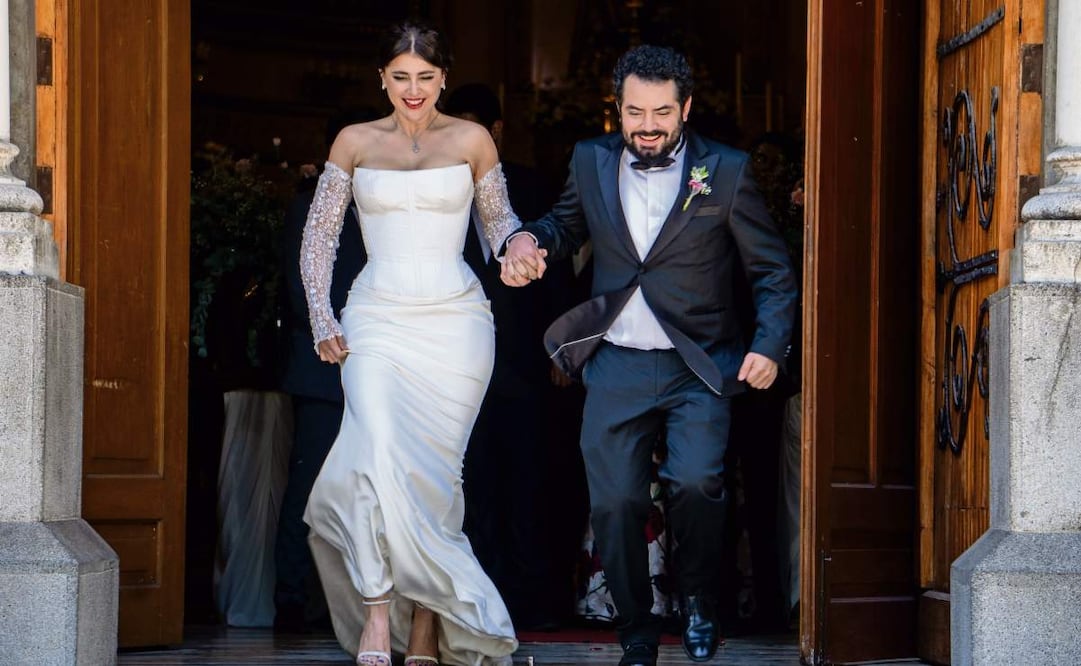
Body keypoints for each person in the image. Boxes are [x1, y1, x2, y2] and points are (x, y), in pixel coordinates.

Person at [502, 45, 798, 666]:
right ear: (619, 108)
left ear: (685, 108)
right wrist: (528, 239)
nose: (648, 125)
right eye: (635, 111)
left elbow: (772, 270)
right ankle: (636, 626)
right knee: (614, 501)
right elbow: (563, 225)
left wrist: (769, 345)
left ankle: (698, 600)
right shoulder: (589, 160)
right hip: (618, 362)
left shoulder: (728, 171)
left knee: (696, 484)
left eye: (662, 112)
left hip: (701, 363)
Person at [299, 22, 523, 666]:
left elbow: (498, 220)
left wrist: (518, 245)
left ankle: (426, 627)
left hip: (456, 325)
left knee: (434, 482)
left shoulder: (473, 139)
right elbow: (319, 238)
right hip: (376, 319)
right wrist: (322, 315)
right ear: (382, 79)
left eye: (425, 77)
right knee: (372, 459)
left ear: (444, 78)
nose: (414, 90)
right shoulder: (354, 142)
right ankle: (376, 615)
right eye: (401, 77)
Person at [443, 83, 568, 631]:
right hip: (454, 365)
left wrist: (562, 349)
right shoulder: (437, 187)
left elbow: (557, 277)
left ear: (494, 132)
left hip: (521, 359)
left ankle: (532, 601)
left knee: (527, 482)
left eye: (474, 127)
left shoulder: (533, 185)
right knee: (470, 484)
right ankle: (478, 598)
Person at [273, 109, 375, 634]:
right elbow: (300, 286)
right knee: (309, 486)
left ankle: (355, 605)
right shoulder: (307, 204)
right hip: (321, 370)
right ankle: (292, 602)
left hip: (379, 371)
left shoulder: (384, 206)